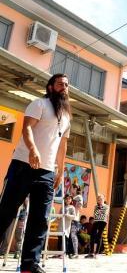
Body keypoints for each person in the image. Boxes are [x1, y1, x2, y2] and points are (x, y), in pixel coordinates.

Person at [0, 74, 71, 273]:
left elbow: (62, 145)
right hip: (23, 165)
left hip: (47, 172)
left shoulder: (66, 116)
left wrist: (60, 171)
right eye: (60, 84)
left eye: (66, 85)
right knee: (6, 212)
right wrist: (33, 149)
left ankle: (30, 265)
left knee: (40, 219)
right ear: (50, 87)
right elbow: (27, 128)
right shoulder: (38, 104)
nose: (64, 87)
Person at [85, 194, 109, 258]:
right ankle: (91, 251)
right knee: (92, 236)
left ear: (103, 199)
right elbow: (95, 214)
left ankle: (97, 252)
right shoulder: (96, 206)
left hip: (103, 222)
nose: (100, 201)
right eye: (98, 200)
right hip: (96, 221)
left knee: (99, 236)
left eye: (101, 199)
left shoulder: (106, 206)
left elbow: (105, 214)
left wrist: (100, 211)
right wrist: (100, 211)